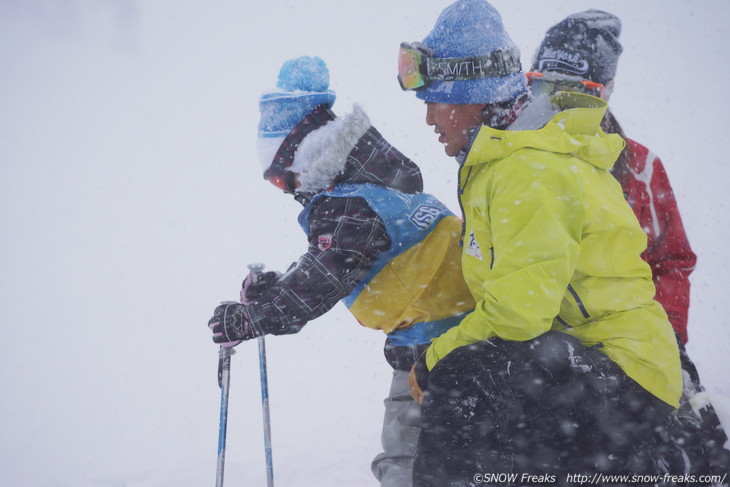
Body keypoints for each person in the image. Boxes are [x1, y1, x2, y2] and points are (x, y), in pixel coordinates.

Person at [397, 0, 683, 484]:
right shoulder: (506, 161)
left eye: (433, 100)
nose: (428, 118)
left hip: (625, 372)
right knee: (481, 384)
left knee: (463, 375)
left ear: (471, 95)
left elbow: (519, 311)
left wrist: (434, 359)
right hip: (589, 363)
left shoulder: (527, 169)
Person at [207, 56, 475, 487]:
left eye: (281, 180)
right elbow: (331, 263)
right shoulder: (376, 187)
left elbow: (320, 282)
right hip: (457, 331)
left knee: (409, 460)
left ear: (301, 161)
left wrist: (250, 318)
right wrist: (278, 288)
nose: (287, 191)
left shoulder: (351, 205)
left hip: (439, 349)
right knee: (440, 457)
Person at [528, 9, 729, 477]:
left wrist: (669, 336)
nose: (556, 102)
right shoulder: (514, 159)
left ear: (603, 92)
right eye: (542, 86)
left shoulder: (638, 167)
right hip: (546, 346)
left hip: (634, 344)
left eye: (574, 91)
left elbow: (671, 261)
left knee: (674, 441)